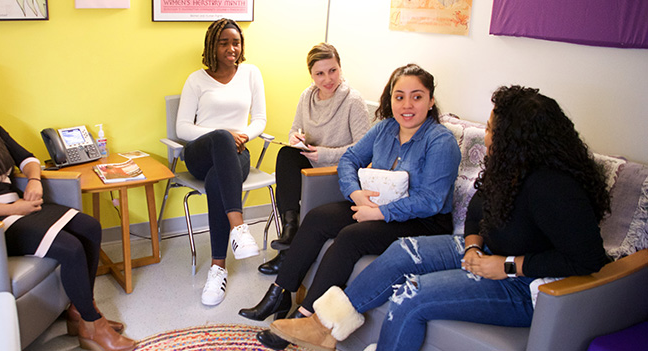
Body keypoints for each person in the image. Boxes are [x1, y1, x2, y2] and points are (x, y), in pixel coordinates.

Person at [268, 85, 612, 351]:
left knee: (411, 294)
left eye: (493, 129)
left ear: (516, 140)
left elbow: (587, 259)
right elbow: (478, 210)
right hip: (486, 250)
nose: (488, 136)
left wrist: (507, 266)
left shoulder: (555, 189)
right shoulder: (510, 168)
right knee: (402, 252)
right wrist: (474, 245)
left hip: (526, 284)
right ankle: (324, 324)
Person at [240, 63, 461, 349]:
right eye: (399, 96)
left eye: (417, 97)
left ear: (431, 101)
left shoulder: (441, 141)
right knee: (318, 218)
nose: (407, 105)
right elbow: (349, 160)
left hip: (421, 221)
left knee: (350, 237)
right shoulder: (385, 128)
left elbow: (430, 200)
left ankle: (308, 317)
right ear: (390, 99)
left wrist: (379, 213)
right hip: (375, 204)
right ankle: (281, 291)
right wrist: (356, 194)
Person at [0, 66, 136, 351]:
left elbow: (28, 158)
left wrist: (33, 180)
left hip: (18, 208)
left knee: (90, 227)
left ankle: (79, 311)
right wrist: (17, 209)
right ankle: (92, 325)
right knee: (70, 247)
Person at [176, 18, 267, 306]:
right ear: (212, 46)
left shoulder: (251, 73)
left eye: (236, 42)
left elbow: (261, 120)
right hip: (200, 153)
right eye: (224, 42)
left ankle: (218, 269)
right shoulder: (196, 80)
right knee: (220, 138)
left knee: (218, 180)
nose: (231, 48)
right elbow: (182, 129)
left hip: (236, 155)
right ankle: (239, 228)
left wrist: (242, 136)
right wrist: (223, 134)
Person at [258, 42, 371, 276]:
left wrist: (325, 154)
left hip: (337, 172)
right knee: (286, 154)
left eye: (333, 71)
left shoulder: (353, 101)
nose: (327, 79)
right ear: (311, 75)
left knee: (292, 176)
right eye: (319, 73)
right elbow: (293, 131)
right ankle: (290, 228)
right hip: (311, 165)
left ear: (340, 68)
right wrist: (297, 138)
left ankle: (287, 253)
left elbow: (364, 150)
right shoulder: (306, 97)